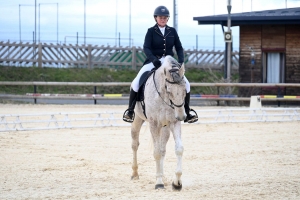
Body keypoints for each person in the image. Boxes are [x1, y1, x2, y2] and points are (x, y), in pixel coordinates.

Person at [123, 5, 198, 124]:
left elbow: (179, 47)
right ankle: (130, 111)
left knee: (186, 84)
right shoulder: (151, 31)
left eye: (165, 17)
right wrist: (154, 60)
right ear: (156, 18)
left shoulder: (172, 31)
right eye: (160, 17)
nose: (162, 19)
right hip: (153, 62)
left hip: (169, 62)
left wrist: (181, 61)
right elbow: (146, 48)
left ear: (167, 19)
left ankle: (188, 112)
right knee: (136, 82)